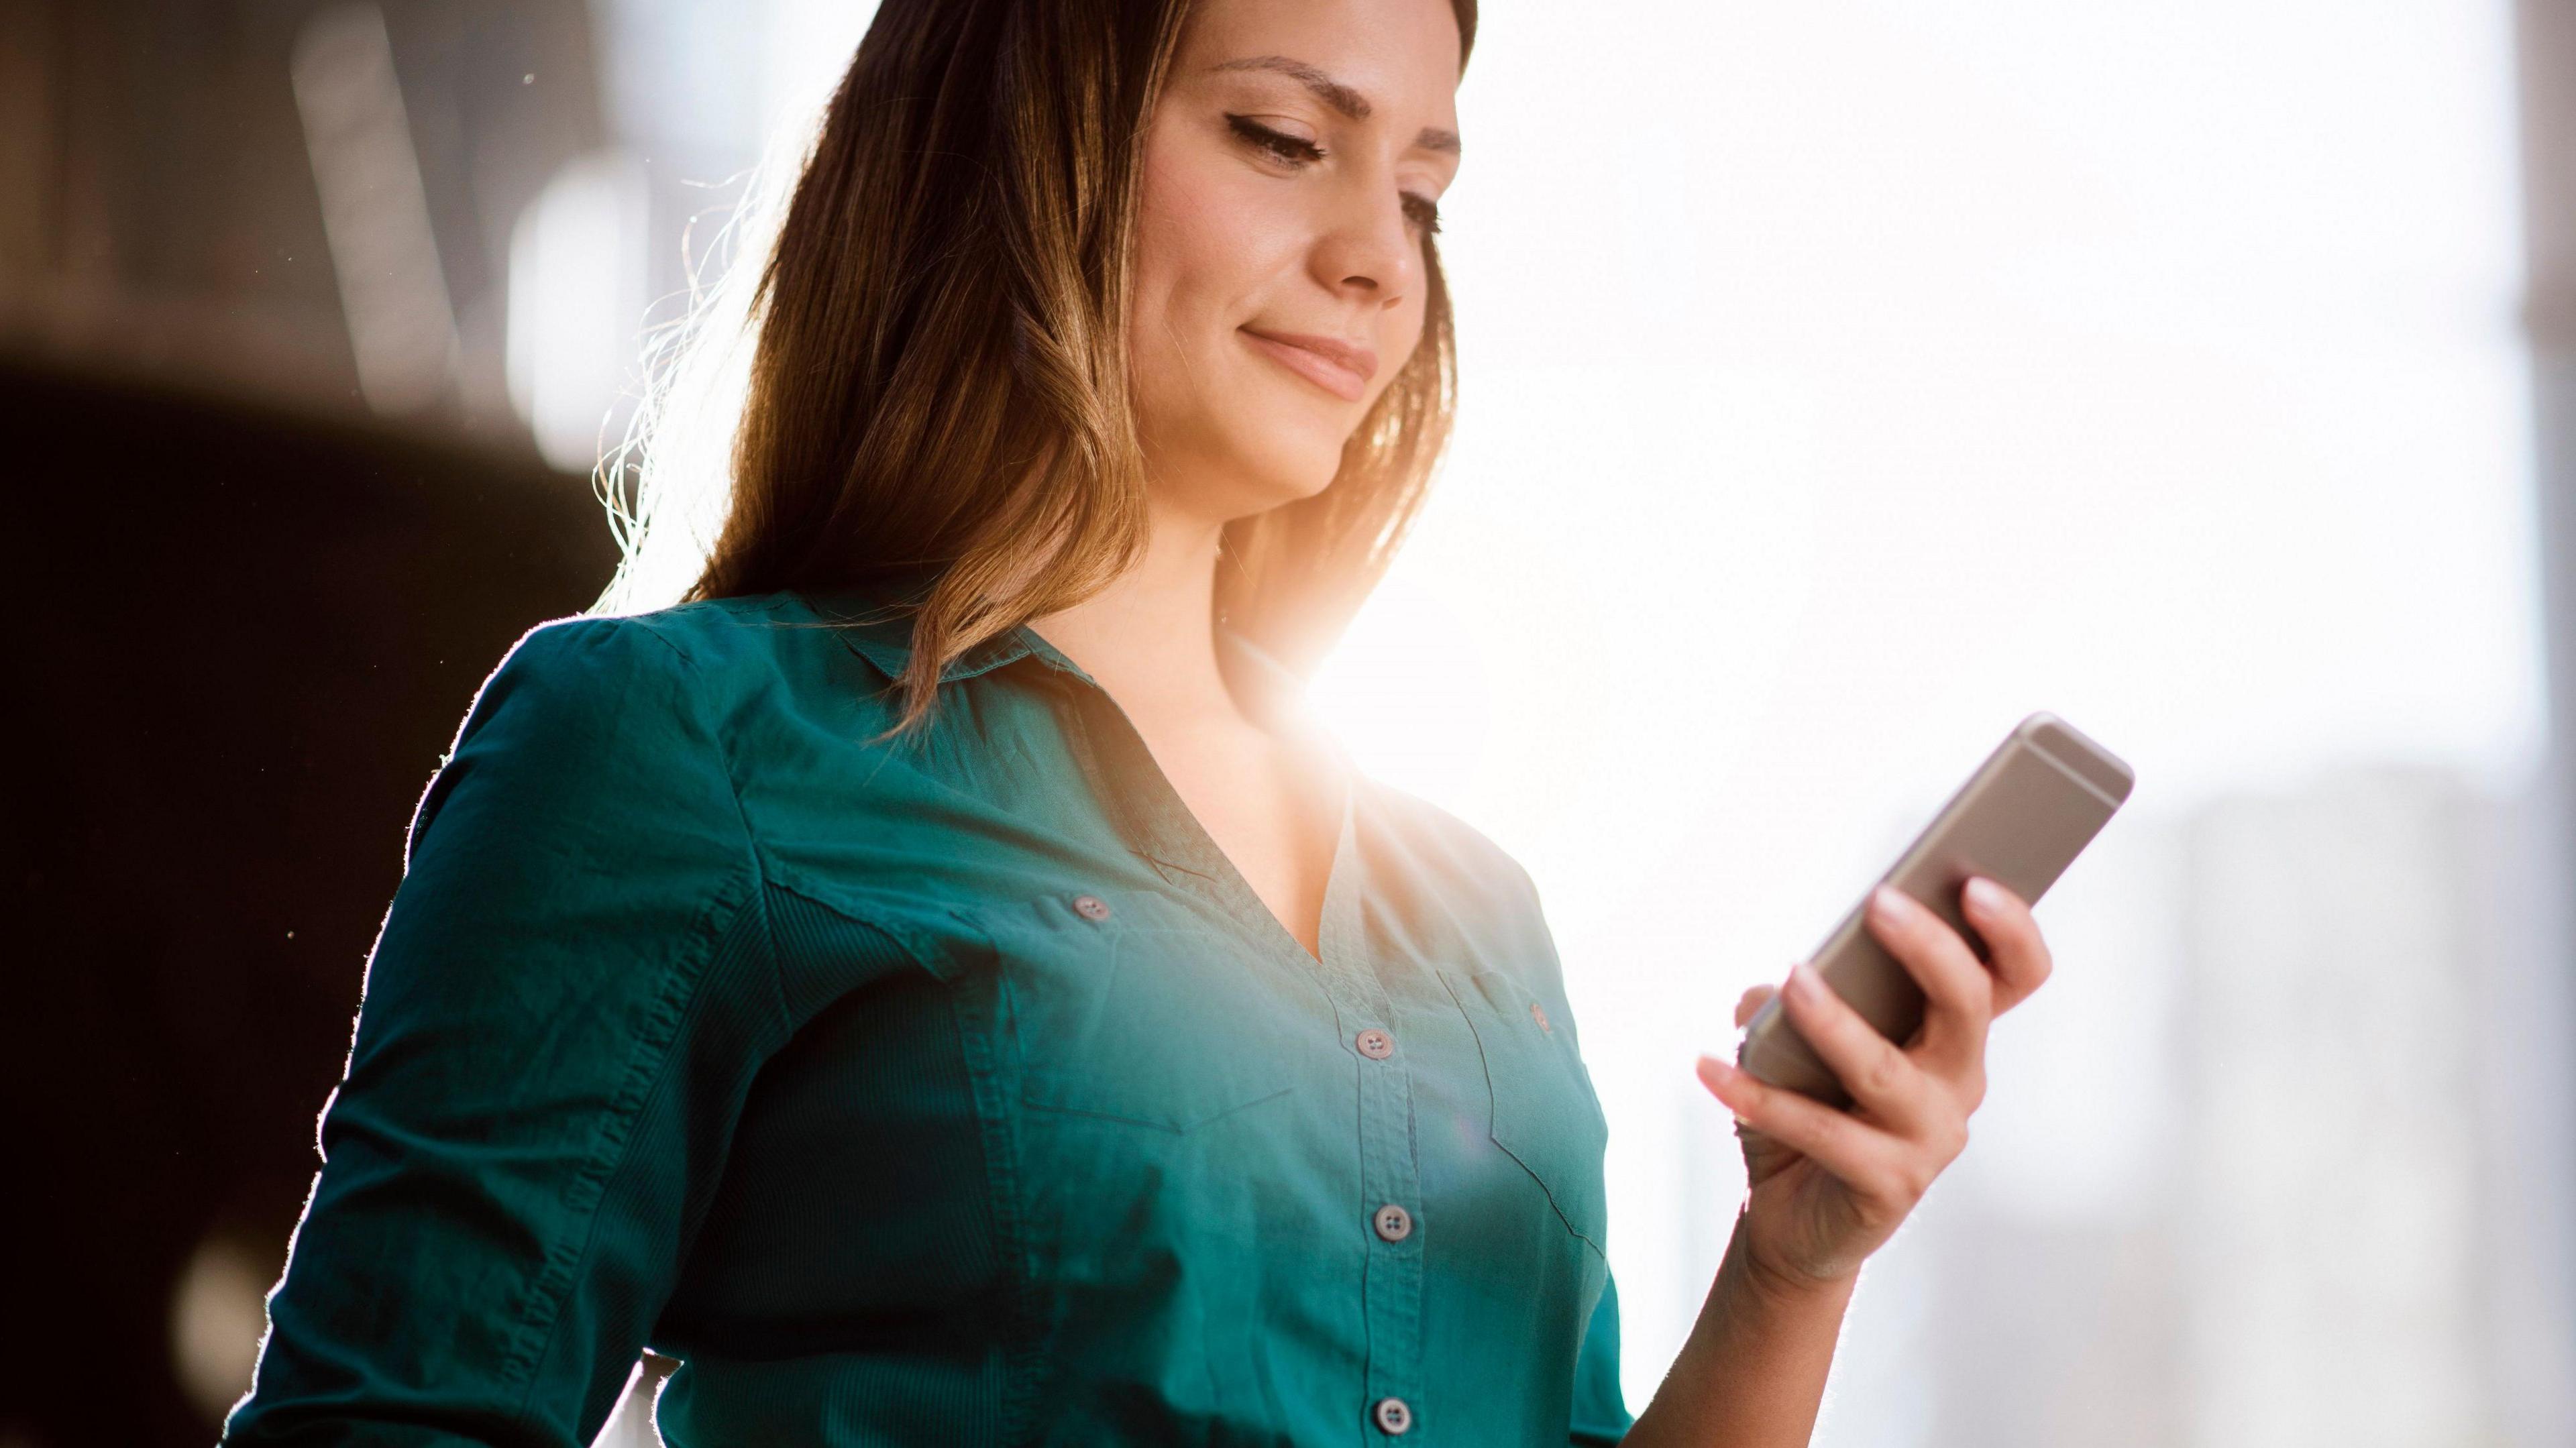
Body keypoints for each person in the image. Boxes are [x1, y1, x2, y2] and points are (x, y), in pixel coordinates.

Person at [226, 0, 2056, 1443]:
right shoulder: (677, 748)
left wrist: (1789, 1275)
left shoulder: (1474, 910)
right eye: (1283, 140)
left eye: (1420, 192)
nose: (1379, 262)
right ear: (1030, 149)